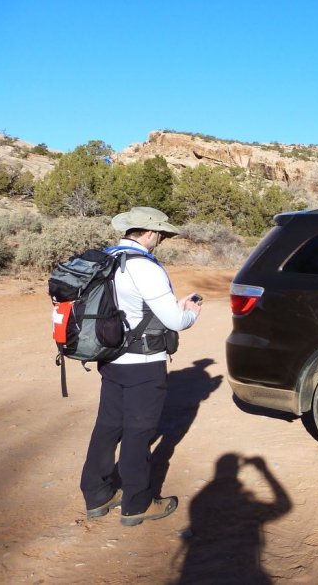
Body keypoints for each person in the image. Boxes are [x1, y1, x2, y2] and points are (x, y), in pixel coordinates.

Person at [80, 207, 203, 526]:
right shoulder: (145, 267)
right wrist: (190, 312)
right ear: (149, 233)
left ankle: (97, 495)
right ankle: (136, 504)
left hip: (110, 357)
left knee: (108, 426)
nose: (161, 238)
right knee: (138, 432)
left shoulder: (105, 258)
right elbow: (174, 320)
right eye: (160, 233)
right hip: (143, 363)